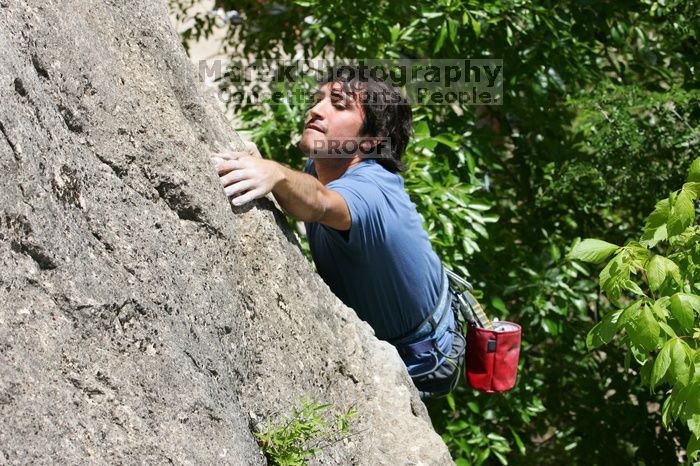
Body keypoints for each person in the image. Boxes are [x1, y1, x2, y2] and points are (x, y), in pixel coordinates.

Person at [212, 66, 465, 400]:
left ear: (372, 140)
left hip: (423, 357)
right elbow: (307, 192)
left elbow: (317, 200)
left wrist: (274, 174)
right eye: (317, 100)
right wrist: (270, 174)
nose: (316, 110)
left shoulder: (373, 191)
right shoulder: (321, 166)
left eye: (338, 104)